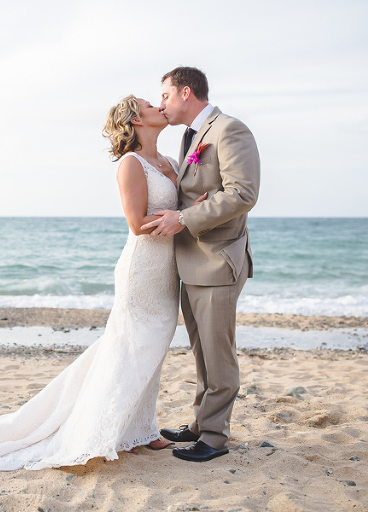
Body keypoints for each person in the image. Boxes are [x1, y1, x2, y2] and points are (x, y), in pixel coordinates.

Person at [0, 95, 205, 485]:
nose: (157, 106)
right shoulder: (132, 164)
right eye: (150, 103)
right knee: (132, 346)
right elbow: (136, 222)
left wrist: (194, 210)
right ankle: (114, 430)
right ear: (135, 120)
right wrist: (175, 218)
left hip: (168, 269)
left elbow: (182, 205)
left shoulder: (169, 162)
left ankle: (141, 429)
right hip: (143, 268)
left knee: (150, 347)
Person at [141, 67, 260, 462]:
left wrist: (185, 218)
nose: (161, 104)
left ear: (185, 92)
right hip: (191, 261)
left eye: (165, 96)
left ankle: (214, 438)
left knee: (218, 353)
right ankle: (199, 422)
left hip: (217, 260)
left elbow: (243, 193)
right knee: (201, 351)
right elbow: (198, 191)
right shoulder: (192, 136)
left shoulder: (229, 130)